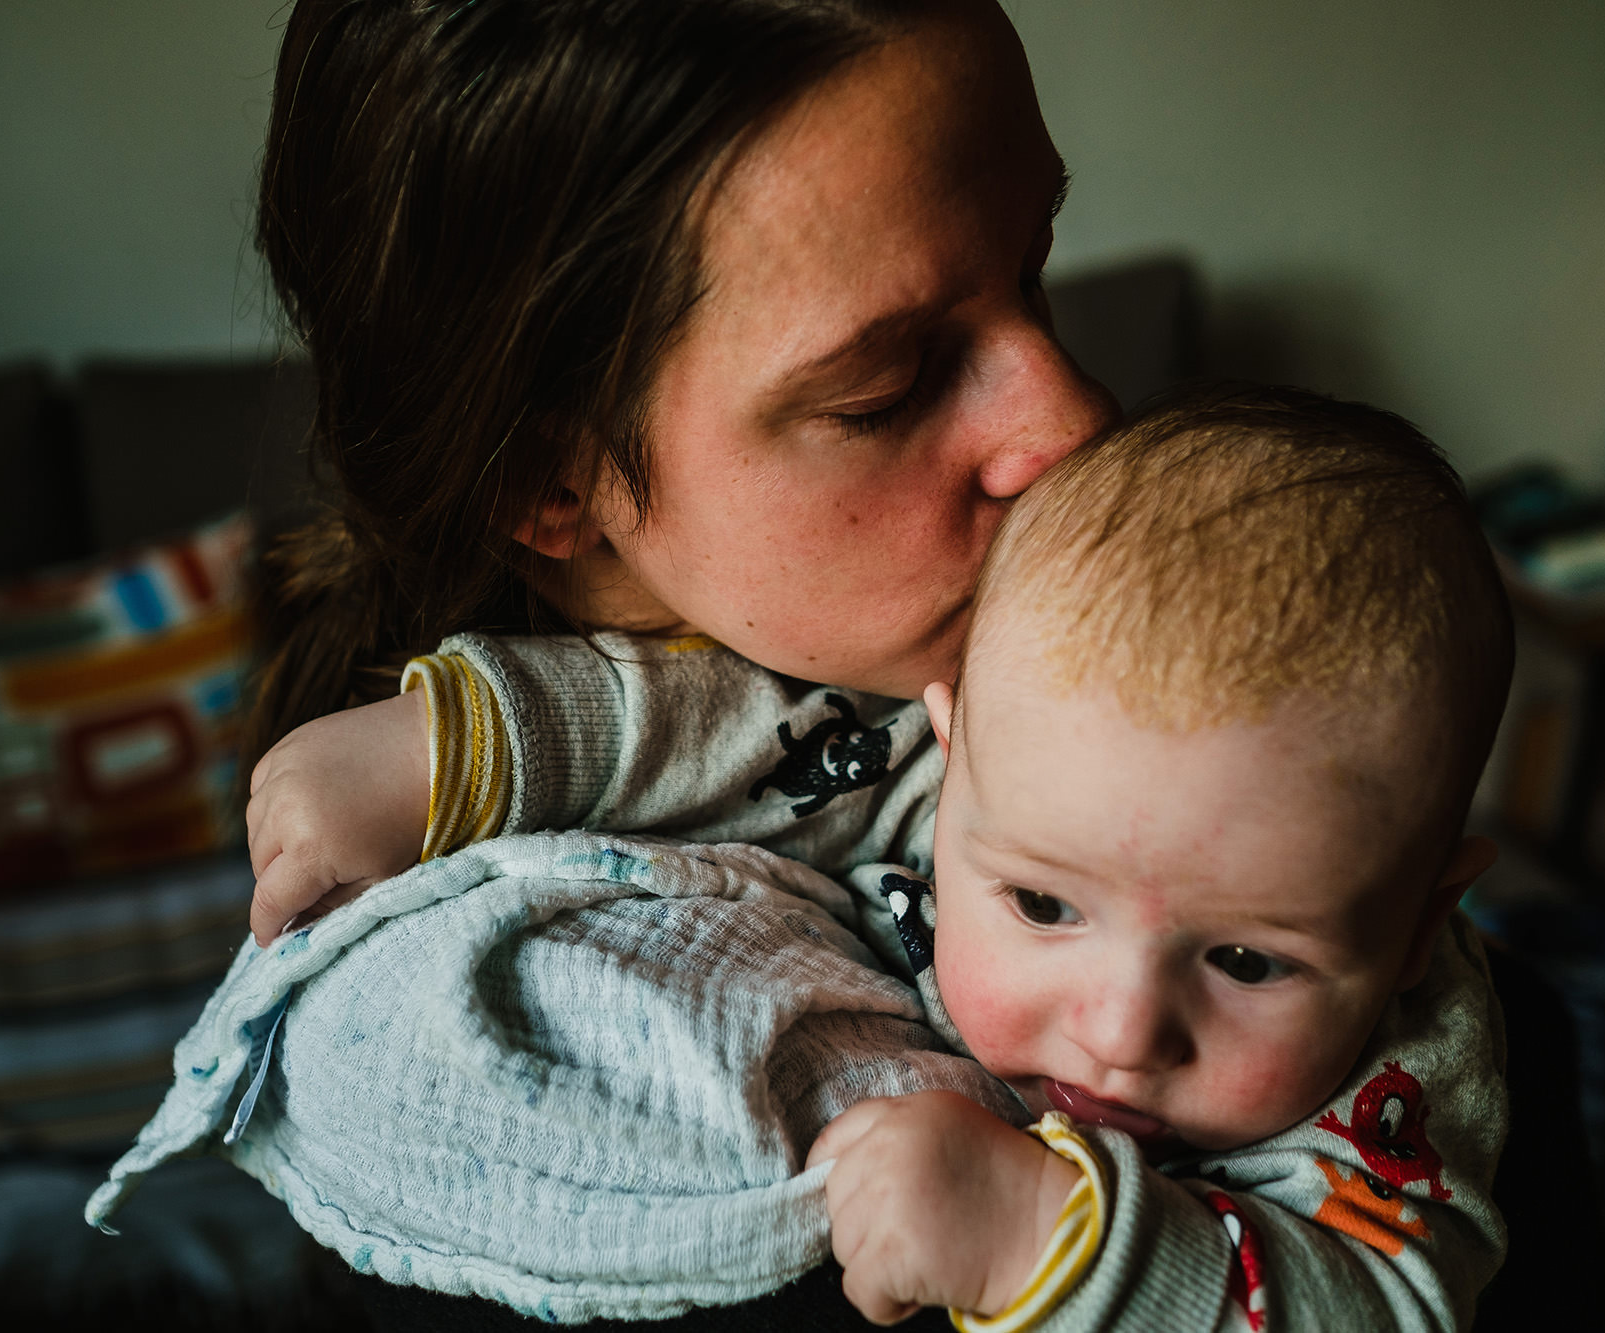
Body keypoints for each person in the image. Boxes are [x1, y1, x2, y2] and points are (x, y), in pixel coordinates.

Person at [247, 385, 1517, 1329]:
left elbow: (1385, 1305)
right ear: (951, 747)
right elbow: (722, 732)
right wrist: (447, 749)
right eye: (1039, 903)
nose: (1121, 1031)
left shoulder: (1403, 1080)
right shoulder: (958, 759)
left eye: (1246, 958)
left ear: (1416, 922)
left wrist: (1042, 1240)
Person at [242, 0, 1113, 952]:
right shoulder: (512, 979)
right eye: (885, 390)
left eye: (1033, 267)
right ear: (550, 485)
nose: (1077, 421)